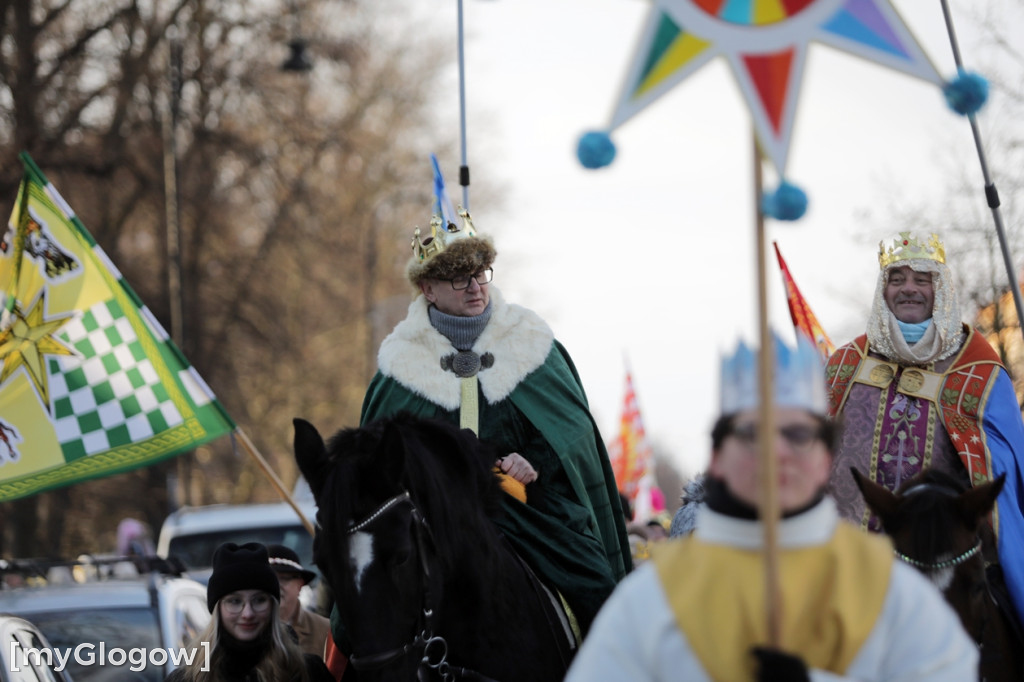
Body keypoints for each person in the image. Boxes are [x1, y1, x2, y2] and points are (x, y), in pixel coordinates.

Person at [565, 334, 978, 680]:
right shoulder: (650, 600)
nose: (776, 452)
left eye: (797, 434)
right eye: (751, 434)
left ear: (824, 460)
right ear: (717, 459)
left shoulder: (895, 593)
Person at [359, 207, 631, 637]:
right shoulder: (399, 368)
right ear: (428, 288)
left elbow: (572, 437)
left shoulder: (535, 348)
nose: (474, 287)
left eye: (480, 273)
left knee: (598, 592)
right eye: (457, 277)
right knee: (367, 626)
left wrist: (533, 462)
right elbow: (374, 466)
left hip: (529, 511)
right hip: (430, 521)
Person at [825, 231, 1024, 628]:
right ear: (883, 291)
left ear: (940, 287)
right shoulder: (844, 364)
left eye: (922, 278)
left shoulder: (979, 369)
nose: (908, 289)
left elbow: (1006, 468)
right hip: (849, 569)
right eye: (896, 279)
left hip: (948, 566)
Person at [165, 542, 332, 682]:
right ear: (218, 608)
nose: (248, 614)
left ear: (272, 606)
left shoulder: (307, 672)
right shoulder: (188, 678)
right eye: (235, 601)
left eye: (259, 600)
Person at [267, 544, 330, 660]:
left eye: (284, 578)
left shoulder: (326, 631)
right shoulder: (245, 630)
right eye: (268, 579)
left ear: (300, 585)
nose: (275, 586)